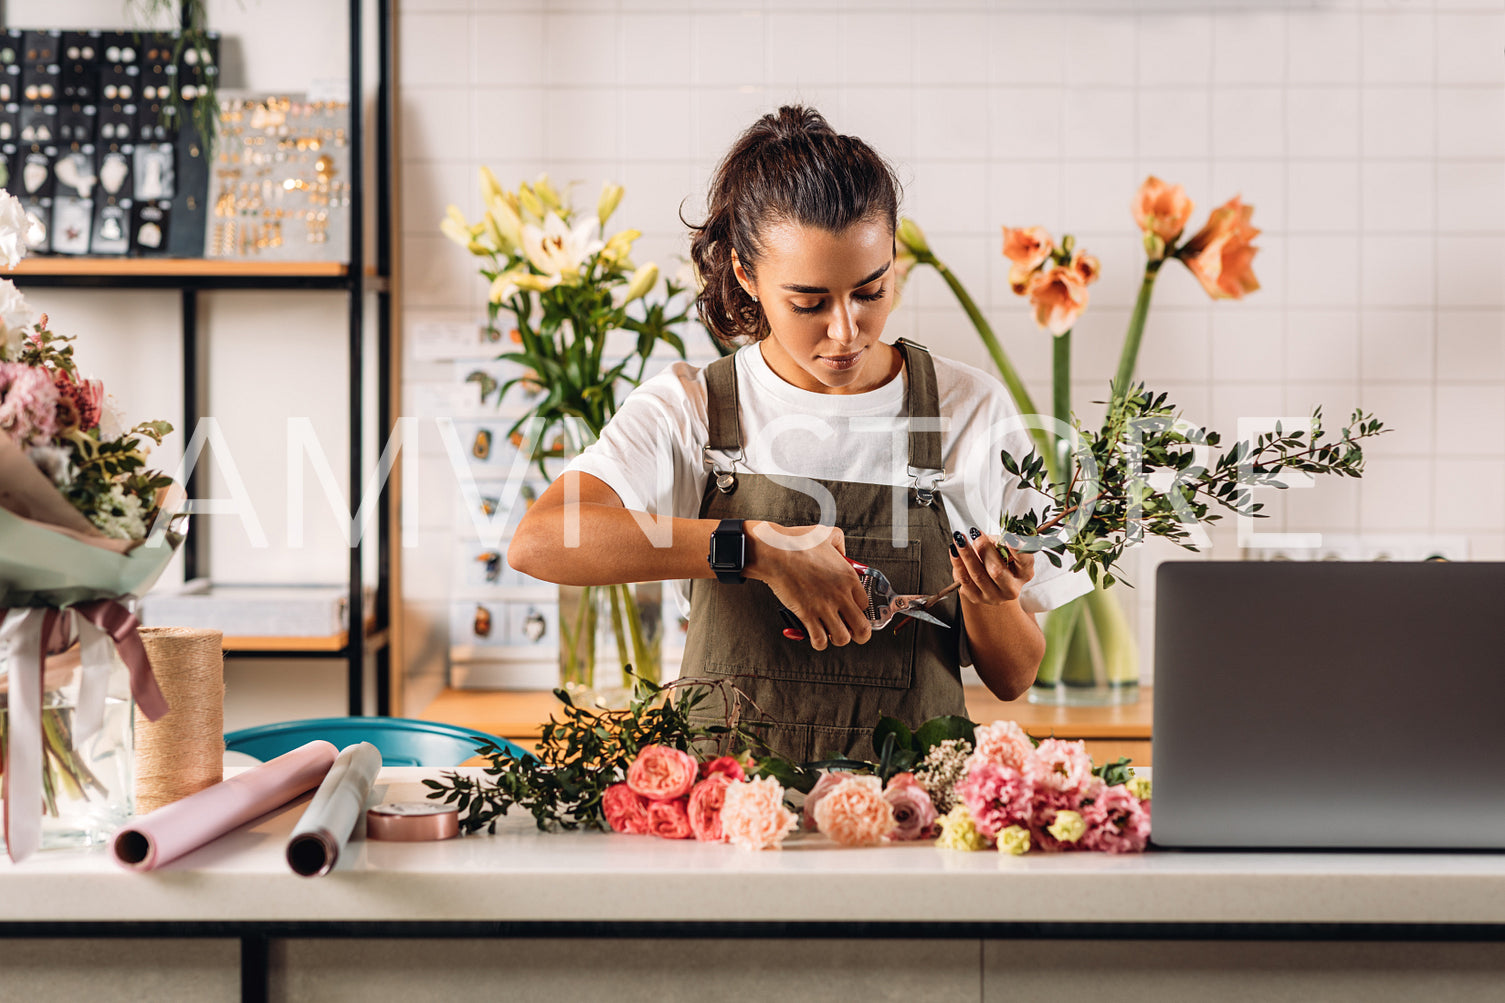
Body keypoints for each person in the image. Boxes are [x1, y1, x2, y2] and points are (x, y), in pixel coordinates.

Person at [508, 105, 1091, 760]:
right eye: (809, 302)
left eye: (870, 291)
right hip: (729, 829)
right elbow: (539, 541)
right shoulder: (693, 407)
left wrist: (990, 600)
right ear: (745, 275)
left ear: (894, 258)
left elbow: (1013, 677)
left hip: (910, 830)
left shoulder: (965, 407)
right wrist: (754, 548)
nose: (844, 330)